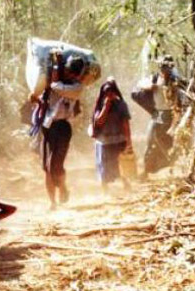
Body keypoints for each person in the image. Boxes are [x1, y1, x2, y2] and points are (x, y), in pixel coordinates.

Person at [33, 52, 84, 209]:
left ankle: (62, 187)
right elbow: (44, 94)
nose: (69, 73)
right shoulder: (53, 81)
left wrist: (57, 65)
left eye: (72, 72)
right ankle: (52, 202)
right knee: (47, 167)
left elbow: (56, 85)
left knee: (55, 165)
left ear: (77, 74)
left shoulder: (77, 87)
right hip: (48, 127)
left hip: (62, 128)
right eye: (68, 70)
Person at [136, 55, 182, 178]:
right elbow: (140, 84)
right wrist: (150, 86)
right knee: (151, 139)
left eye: (167, 66)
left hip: (171, 114)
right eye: (163, 66)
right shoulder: (155, 78)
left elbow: (181, 98)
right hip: (158, 113)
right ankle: (146, 170)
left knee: (168, 142)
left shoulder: (175, 80)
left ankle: (168, 168)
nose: (165, 69)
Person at [91, 78, 133, 192]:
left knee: (121, 165)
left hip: (118, 140)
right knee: (103, 167)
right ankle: (105, 190)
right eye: (106, 91)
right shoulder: (99, 105)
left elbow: (125, 124)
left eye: (111, 91)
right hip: (103, 142)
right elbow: (99, 121)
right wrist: (106, 106)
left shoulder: (121, 105)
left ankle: (126, 186)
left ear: (115, 92)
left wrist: (129, 141)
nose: (109, 94)